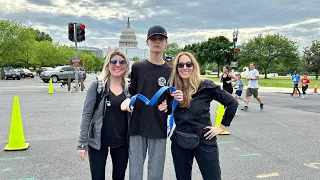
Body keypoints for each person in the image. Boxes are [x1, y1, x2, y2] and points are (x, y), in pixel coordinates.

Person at [120, 25, 183, 180]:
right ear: (147, 42)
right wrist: (128, 100)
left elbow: (172, 97)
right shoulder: (138, 67)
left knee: (156, 173)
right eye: (153, 39)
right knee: (135, 172)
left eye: (160, 39)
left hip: (158, 126)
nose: (157, 42)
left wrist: (168, 106)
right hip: (137, 126)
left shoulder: (171, 71)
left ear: (166, 42)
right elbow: (130, 91)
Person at [168, 52, 238, 180]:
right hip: (180, 141)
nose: (185, 67)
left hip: (204, 140)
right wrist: (165, 106)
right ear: (176, 68)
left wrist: (221, 127)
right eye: (181, 64)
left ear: (194, 66)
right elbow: (168, 109)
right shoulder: (172, 87)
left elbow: (232, 102)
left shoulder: (205, 86)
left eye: (188, 64)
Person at [76, 48, 131, 180]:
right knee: (98, 177)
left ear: (126, 65)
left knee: (119, 176)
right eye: (113, 61)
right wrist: (82, 143)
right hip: (98, 141)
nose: (117, 65)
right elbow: (87, 114)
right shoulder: (97, 86)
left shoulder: (129, 88)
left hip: (121, 141)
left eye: (121, 62)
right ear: (107, 65)